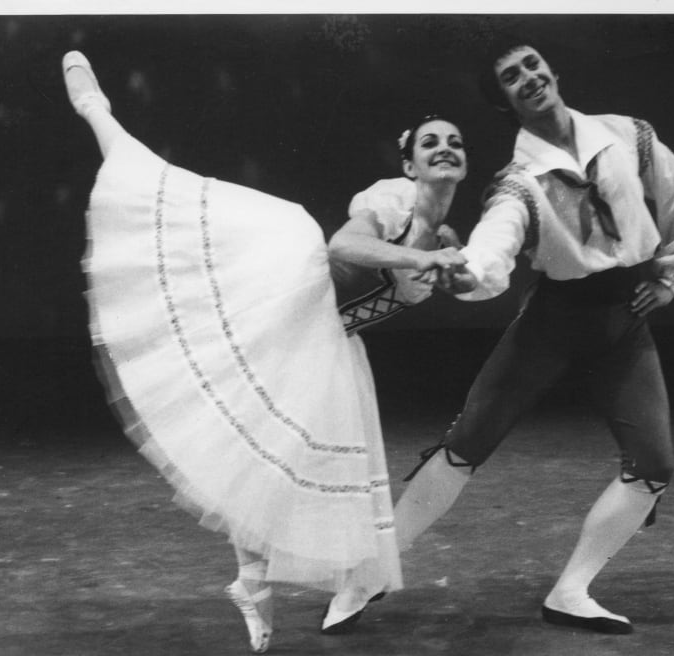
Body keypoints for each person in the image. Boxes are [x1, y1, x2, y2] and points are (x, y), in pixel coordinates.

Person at [61, 51, 469, 653]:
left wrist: (458, 271)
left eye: (455, 142)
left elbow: (461, 280)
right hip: (286, 283)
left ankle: (251, 586)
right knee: (161, 193)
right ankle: (99, 115)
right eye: (430, 142)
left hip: (325, 339)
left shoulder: (448, 235)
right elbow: (347, 243)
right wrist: (422, 258)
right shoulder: (393, 199)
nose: (444, 148)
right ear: (409, 163)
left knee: (272, 457)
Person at [326, 40, 674, 635]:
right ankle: (368, 575)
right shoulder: (517, 183)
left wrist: (670, 278)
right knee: (466, 442)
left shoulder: (628, 135)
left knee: (654, 464)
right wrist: (468, 271)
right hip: (553, 323)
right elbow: (493, 246)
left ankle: (571, 589)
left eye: (533, 66)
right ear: (506, 101)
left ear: (553, 72)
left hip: (623, 322)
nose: (528, 78)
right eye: (512, 77)